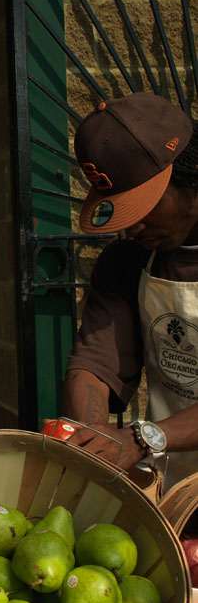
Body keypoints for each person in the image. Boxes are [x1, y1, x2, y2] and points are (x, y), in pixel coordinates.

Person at [61, 91, 198, 488]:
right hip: (179, 493)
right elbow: (94, 364)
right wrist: (94, 440)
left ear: (190, 185)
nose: (128, 227)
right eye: (119, 209)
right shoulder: (128, 262)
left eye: (142, 207)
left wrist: (145, 437)